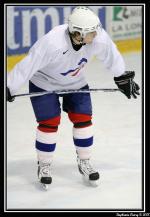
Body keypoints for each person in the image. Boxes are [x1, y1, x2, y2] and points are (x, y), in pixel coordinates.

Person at [7, 6, 140, 188]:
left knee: (83, 119)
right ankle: (44, 164)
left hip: (75, 82)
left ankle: (84, 161)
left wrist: (121, 76)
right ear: (78, 34)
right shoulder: (52, 43)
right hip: (44, 82)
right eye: (91, 32)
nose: (97, 34)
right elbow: (27, 65)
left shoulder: (97, 38)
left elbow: (111, 54)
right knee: (49, 122)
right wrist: (9, 87)